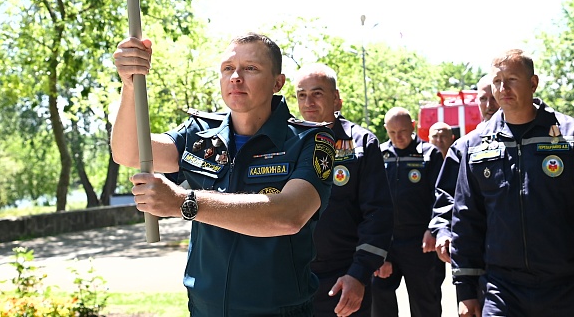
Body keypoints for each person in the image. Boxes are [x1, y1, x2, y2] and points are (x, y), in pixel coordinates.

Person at [111, 34, 335, 317]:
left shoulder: (310, 140)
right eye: (228, 68)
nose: (236, 77)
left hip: (276, 310)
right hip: (205, 308)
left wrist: (183, 203)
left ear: (278, 82)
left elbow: (289, 215)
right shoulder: (199, 133)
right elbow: (129, 152)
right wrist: (130, 84)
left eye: (250, 68)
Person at [451, 49, 574, 317]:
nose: (503, 89)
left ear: (533, 83)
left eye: (512, 80)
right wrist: (465, 291)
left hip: (566, 288)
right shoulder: (476, 145)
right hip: (501, 290)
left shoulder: (571, 136)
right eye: (497, 82)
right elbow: (466, 219)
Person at [294, 65, 394, 317]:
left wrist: (359, 274)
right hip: (291, 279)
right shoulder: (284, 142)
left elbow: (378, 214)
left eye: (317, 93)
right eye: (301, 94)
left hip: (344, 278)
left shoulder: (361, 144)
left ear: (336, 98)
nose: (308, 102)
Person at [372, 107, 445, 317]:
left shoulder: (430, 155)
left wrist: (433, 229)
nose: (398, 137)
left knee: (425, 302)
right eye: (392, 133)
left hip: (420, 243)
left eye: (403, 131)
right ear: (386, 130)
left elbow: (441, 197)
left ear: (413, 126)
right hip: (387, 242)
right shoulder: (379, 155)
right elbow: (371, 199)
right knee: (378, 296)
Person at [429, 76, 499, 264]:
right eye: (483, 99)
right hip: (475, 253)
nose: (489, 105)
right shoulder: (463, 147)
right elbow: (445, 195)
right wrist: (443, 230)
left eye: (493, 98)